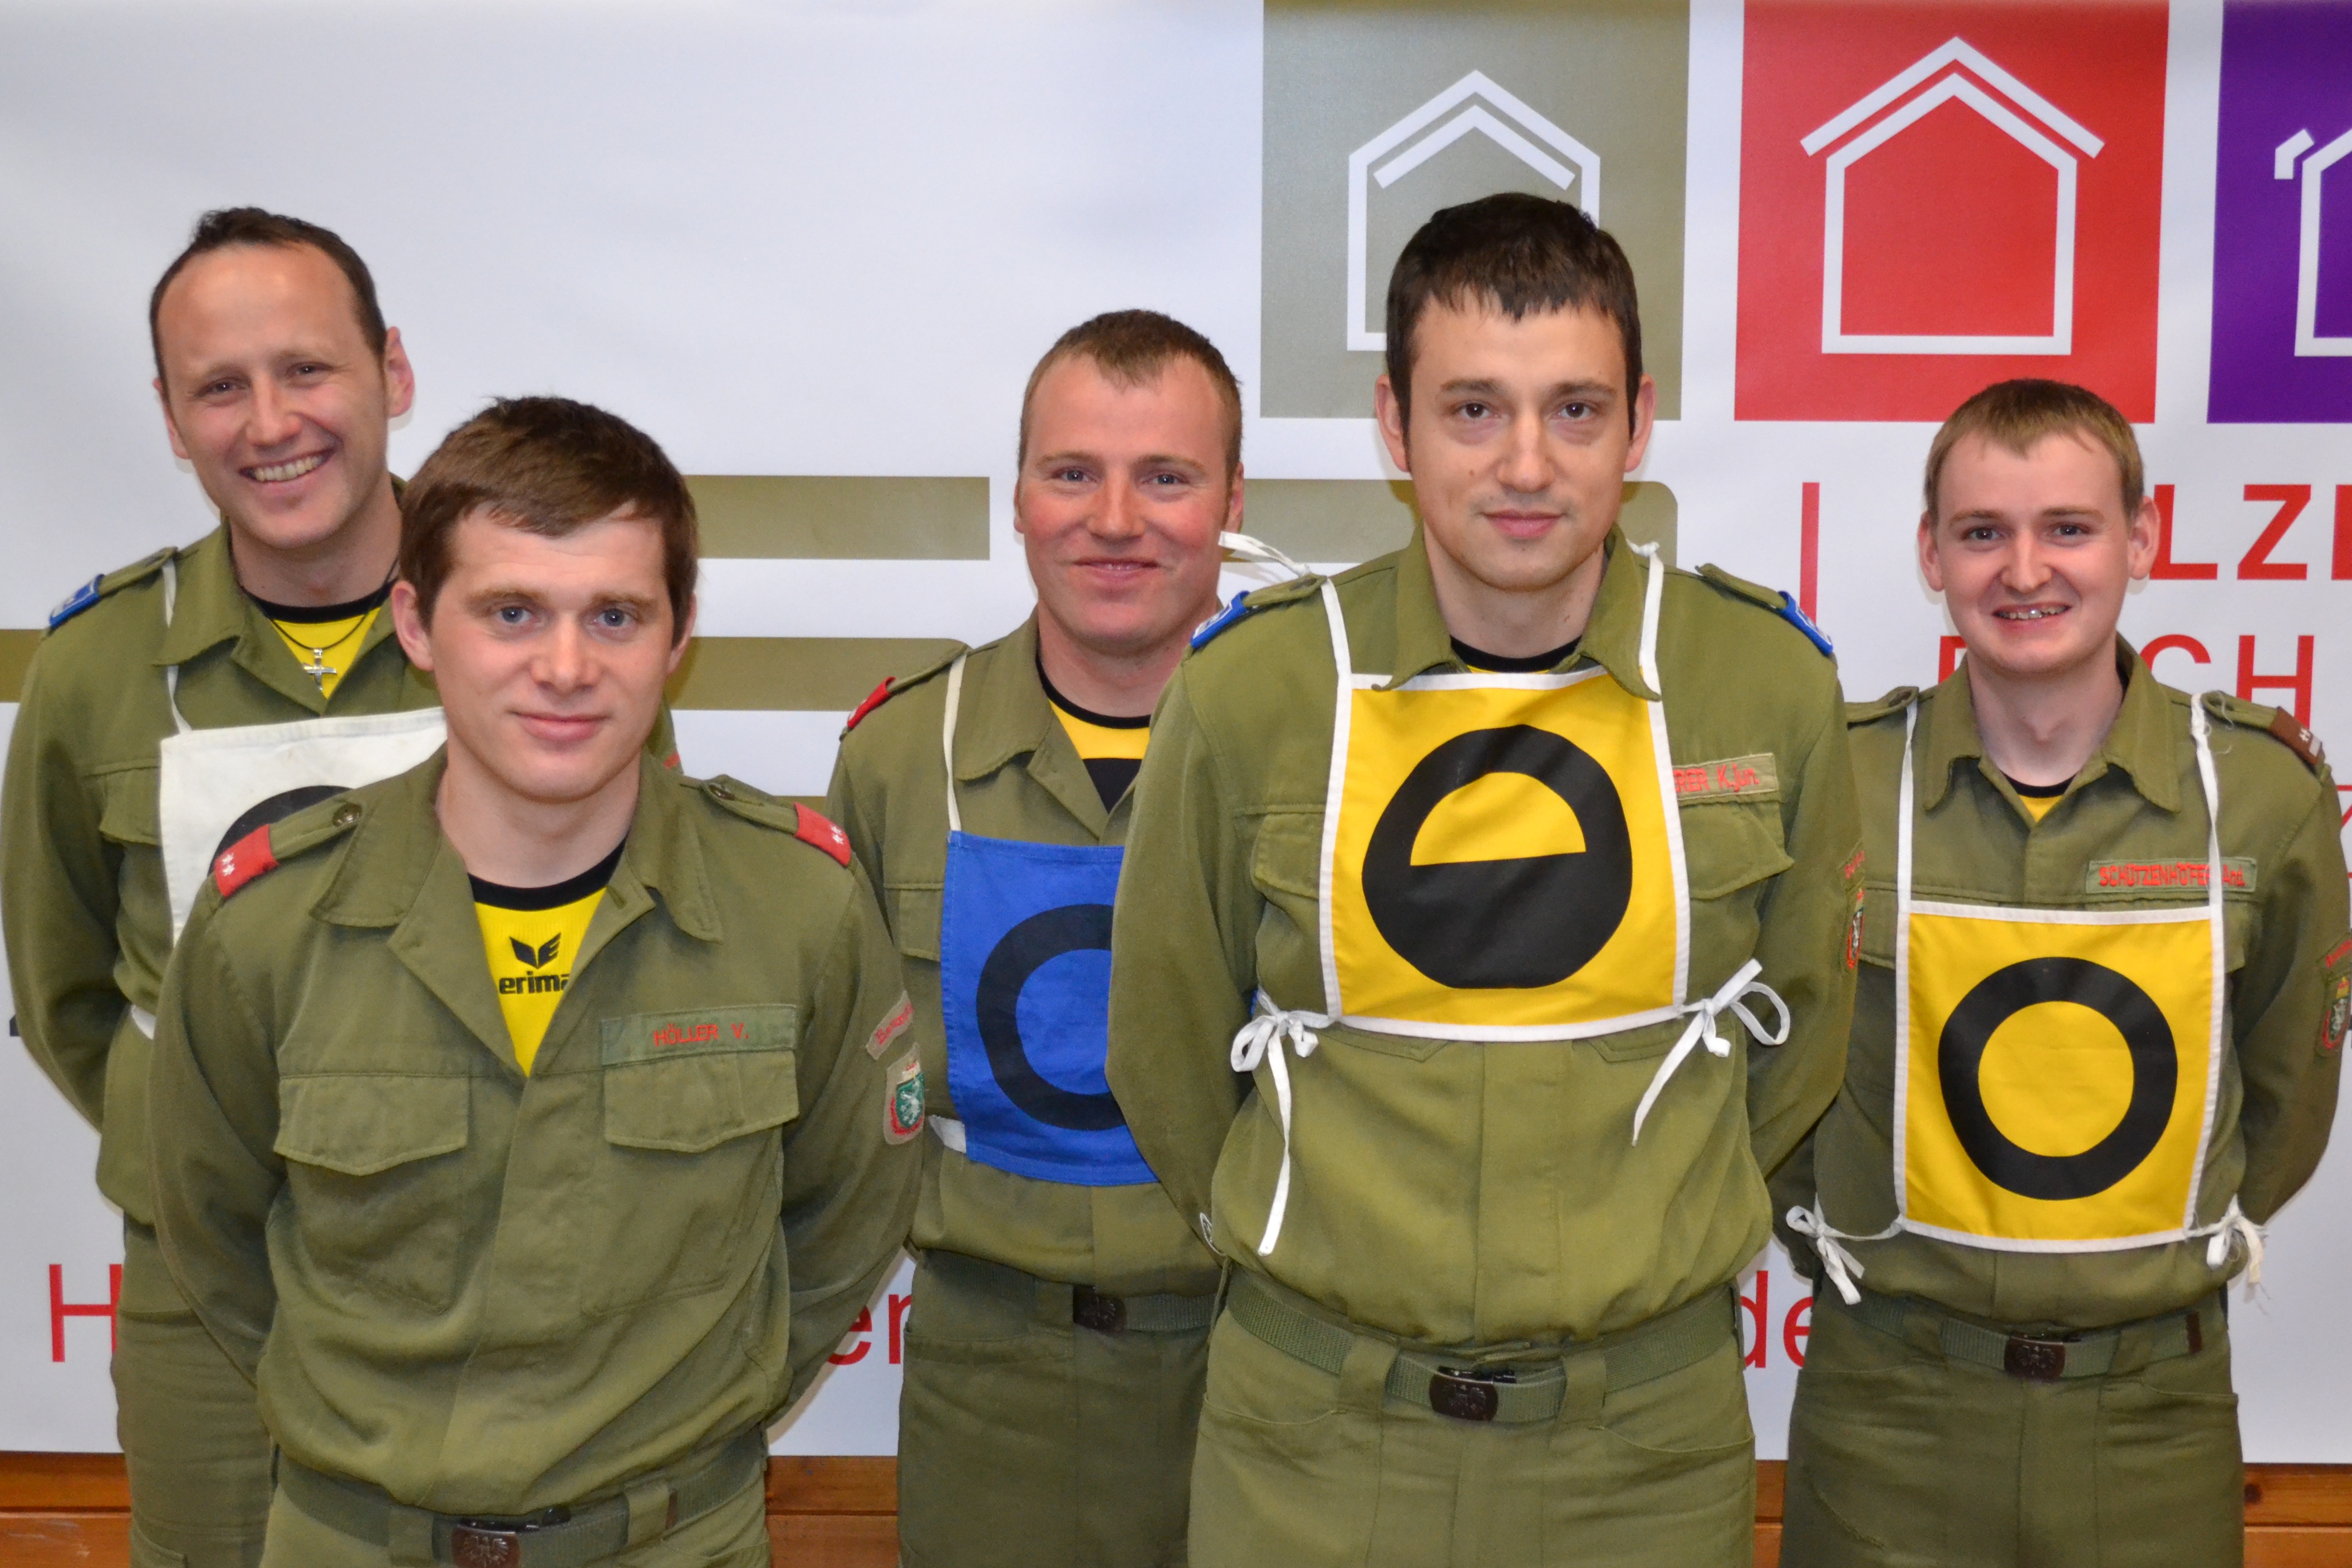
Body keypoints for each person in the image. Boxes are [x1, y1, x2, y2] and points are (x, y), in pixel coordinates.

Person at [1103, 192, 1863, 1566]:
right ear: (1394, 428)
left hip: (1644, 1451)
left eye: (1574, 410)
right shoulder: (1254, 688)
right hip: (1315, 1440)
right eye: (1472, 410)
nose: (1526, 464)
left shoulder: (1767, 684)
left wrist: (1635, 1230)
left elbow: (1798, 1038)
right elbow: (1166, 1046)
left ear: (1637, 425)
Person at [146, 396, 916, 1568]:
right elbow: (215, 1235)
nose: (566, 668)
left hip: (675, 1541)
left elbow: (845, 1216)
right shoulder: (272, 925)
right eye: (512, 611)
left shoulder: (797, 909)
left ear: (678, 633)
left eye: (615, 614)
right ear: (416, 621)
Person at [2, 208, 652, 1568]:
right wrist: (198, 1134)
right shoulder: (96, 668)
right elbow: (68, 995)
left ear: (392, 372)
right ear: (170, 419)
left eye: (306, 369)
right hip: (208, 1289)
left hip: (503, 1260)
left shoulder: (545, 624)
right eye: (218, 387)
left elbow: (639, 926)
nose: (270, 423)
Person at [1774, 380, 2349, 1567]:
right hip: (1887, 1412)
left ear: (2141, 539)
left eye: (2068, 528)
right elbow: (1773, 1079)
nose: (2024, 569)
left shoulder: (2260, 796)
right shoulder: (1841, 785)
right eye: (1982, 531)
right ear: (1931, 554)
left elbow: (2286, 1102)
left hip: (2152, 1421)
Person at [824, 310, 1246, 1567]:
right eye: (1072, 472)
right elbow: (839, 1092)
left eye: (1164, 476)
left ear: (1231, 500)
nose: (1114, 519)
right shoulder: (899, 758)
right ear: (1016, 496)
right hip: (987, 1382)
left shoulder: (1315, 749)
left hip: (1267, 1366)